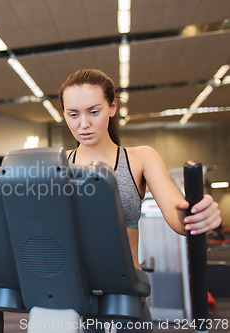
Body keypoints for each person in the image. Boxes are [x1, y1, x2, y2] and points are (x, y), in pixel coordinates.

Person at [58, 69, 221, 332]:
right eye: (73, 114)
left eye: (93, 111)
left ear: (112, 107)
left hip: (123, 298)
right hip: (68, 298)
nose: (83, 124)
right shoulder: (55, 165)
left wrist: (197, 214)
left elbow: (176, 214)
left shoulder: (139, 158)